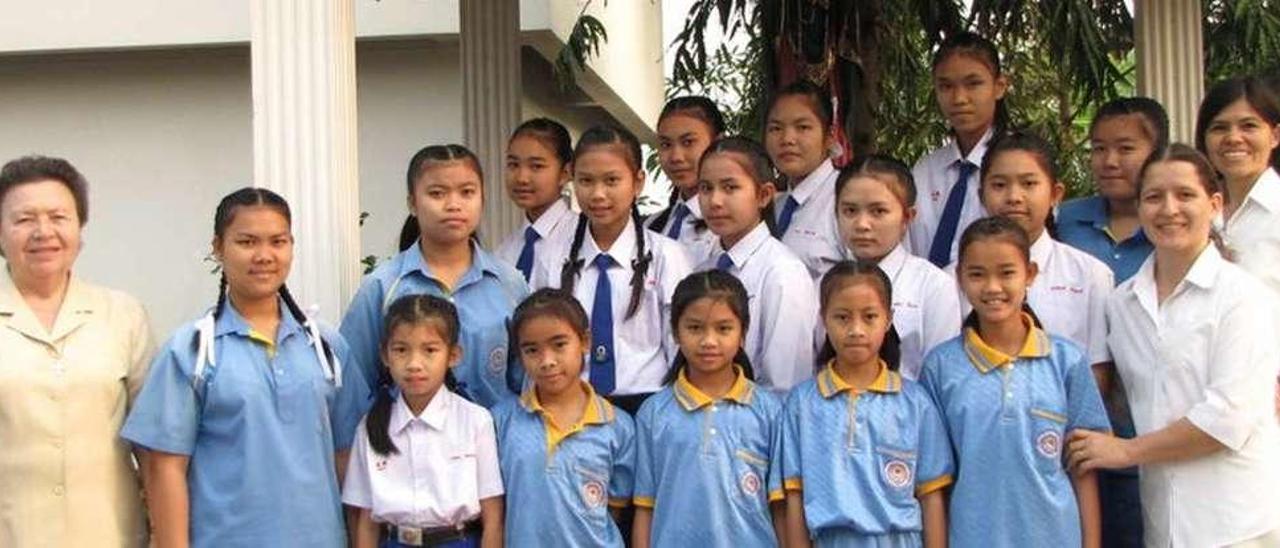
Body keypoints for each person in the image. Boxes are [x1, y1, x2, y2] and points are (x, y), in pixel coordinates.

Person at [122, 187, 369, 547]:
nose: (265, 255)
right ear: (218, 248)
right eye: (247, 242)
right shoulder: (191, 351)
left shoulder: (326, 347)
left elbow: (349, 458)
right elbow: (165, 468)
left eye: (278, 241)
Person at [1067, 144, 1280, 548]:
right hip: (1163, 521)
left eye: (1185, 195)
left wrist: (1126, 452)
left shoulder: (1243, 298)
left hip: (1238, 523)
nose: (1169, 209)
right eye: (1153, 197)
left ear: (1214, 203)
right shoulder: (1123, 303)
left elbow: (1227, 419)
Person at [920, 216, 1107, 548]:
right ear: (960, 278)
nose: (993, 288)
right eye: (977, 274)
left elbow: (1084, 467)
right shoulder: (941, 367)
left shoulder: (1066, 361)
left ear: (1030, 274)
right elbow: (934, 480)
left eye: (1007, 273)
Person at [0, 155, 153, 546]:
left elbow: (153, 442)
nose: (43, 231)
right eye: (24, 219)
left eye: (58, 216)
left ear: (80, 230)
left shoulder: (122, 314)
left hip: (108, 534)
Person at [776, 260, 951, 547]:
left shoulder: (915, 403)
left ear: (889, 319)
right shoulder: (802, 404)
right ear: (823, 319)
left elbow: (930, 496)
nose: (856, 330)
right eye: (842, 318)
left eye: (869, 317)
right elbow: (794, 498)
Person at [342, 144, 528, 408]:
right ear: (412, 203)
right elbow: (354, 385)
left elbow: (527, 381)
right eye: (437, 193)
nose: (454, 205)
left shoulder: (510, 285)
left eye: (467, 192)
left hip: (494, 444)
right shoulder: (383, 287)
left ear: (482, 199)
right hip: (405, 444)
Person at [530, 124, 694, 415]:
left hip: (650, 406)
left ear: (638, 182)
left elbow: (679, 347)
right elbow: (535, 336)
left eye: (611, 180)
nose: (598, 194)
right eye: (586, 181)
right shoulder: (551, 255)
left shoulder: (668, 256)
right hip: (571, 407)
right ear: (572, 179)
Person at [631, 270, 784, 548]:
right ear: (676, 332)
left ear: (743, 334)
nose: (709, 341)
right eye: (695, 328)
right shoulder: (653, 414)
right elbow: (645, 505)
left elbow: (780, 506)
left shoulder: (769, 411)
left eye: (723, 328)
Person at [345, 294, 504, 548]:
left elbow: (493, 517)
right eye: (401, 350)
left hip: (457, 540)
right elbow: (366, 518)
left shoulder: (475, 421)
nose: (414, 364)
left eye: (430, 350)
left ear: (453, 355)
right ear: (385, 355)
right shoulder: (371, 426)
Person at [492, 288, 636, 547]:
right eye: (532, 350)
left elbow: (614, 509)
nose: (547, 361)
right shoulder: (501, 421)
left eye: (559, 345)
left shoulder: (618, 426)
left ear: (585, 341)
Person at [972, 131, 1114, 368]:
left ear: (1055, 194)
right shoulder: (955, 278)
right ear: (981, 196)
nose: (1014, 197)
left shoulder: (1090, 275)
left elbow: (1098, 368)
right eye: (999, 185)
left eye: (1029, 184)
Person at [696, 135, 817, 391]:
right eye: (706, 188)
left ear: (763, 195)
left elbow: (786, 382)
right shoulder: (704, 269)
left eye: (730, 188)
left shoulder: (783, 272)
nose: (715, 201)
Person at [834, 154, 961, 380]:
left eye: (878, 211)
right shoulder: (822, 287)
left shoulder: (933, 286)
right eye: (850, 211)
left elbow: (940, 375)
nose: (862, 224)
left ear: (907, 217)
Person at [908, 31, 1009, 267]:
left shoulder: (1018, 164)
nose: (959, 98)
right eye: (946, 86)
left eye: (973, 84)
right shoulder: (925, 171)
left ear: (999, 86)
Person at [1058, 97, 1167, 283]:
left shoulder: (1174, 224)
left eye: (1125, 149)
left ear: (1158, 153)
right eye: (1099, 148)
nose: (1109, 162)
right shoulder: (1063, 219)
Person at [1194, 76, 1280, 297]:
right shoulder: (1194, 211)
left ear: (1274, 135)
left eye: (1248, 126)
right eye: (1219, 128)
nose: (1233, 138)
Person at [764, 80, 844, 278]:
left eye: (803, 127)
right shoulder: (772, 205)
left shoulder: (847, 200)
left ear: (830, 136)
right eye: (776, 128)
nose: (787, 139)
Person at [496, 118, 578, 282]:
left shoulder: (581, 239)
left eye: (536, 166)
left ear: (565, 173)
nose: (522, 178)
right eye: (513, 164)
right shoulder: (506, 250)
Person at [647, 95, 725, 263]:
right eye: (666, 145)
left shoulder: (733, 224)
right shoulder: (651, 226)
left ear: (717, 143)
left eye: (688, 142)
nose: (676, 157)